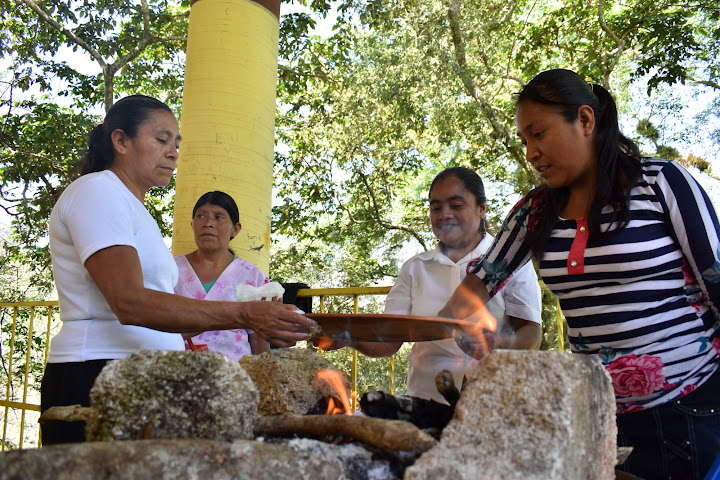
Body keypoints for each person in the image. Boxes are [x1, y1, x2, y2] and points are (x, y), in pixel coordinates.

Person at [442, 69, 720, 480]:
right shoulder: (535, 212)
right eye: (524, 141)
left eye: (539, 134)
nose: (531, 153)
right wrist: (466, 322)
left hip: (688, 410)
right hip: (596, 414)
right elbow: (482, 280)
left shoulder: (661, 184)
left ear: (585, 120)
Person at [41, 95, 316, 445]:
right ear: (121, 141)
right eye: (161, 139)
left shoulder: (135, 208)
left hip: (144, 376)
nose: (173, 152)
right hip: (98, 371)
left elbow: (162, 305)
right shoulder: (97, 191)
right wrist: (245, 313)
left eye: (177, 143)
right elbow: (129, 302)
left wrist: (264, 320)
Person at [326, 167, 543, 404]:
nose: (444, 215)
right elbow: (388, 341)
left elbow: (532, 334)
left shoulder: (511, 261)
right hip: (424, 404)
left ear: (482, 209)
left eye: (456, 205)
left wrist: (498, 344)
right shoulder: (415, 267)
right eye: (435, 207)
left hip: (491, 403)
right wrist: (348, 337)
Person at [174, 191, 271, 360]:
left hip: (235, 378)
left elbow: (261, 346)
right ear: (192, 225)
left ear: (235, 229)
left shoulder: (253, 278)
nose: (208, 223)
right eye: (201, 216)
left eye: (218, 217)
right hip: (176, 374)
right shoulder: (170, 269)